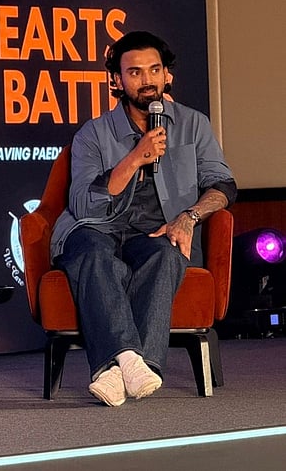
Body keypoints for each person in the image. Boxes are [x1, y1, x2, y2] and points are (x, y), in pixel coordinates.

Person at [50, 31, 237, 407]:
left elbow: (223, 185)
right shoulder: (93, 133)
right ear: (116, 81)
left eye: (154, 70)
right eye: (134, 72)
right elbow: (83, 204)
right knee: (92, 252)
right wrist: (135, 157)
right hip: (98, 227)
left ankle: (117, 369)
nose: (146, 80)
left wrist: (189, 217)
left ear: (168, 76)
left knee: (167, 255)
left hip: (157, 230)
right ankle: (133, 361)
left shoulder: (193, 124)